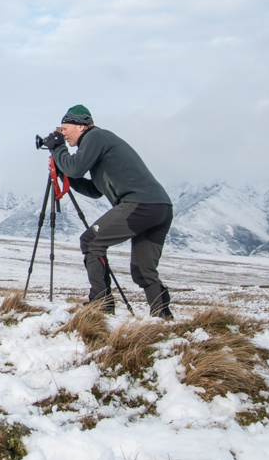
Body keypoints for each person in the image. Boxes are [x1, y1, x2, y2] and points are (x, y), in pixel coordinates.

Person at [40, 104, 175, 319]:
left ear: (82, 126)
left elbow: (74, 166)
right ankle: (163, 317)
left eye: (65, 128)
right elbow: (95, 191)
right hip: (160, 207)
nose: (62, 133)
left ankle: (101, 305)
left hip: (141, 204)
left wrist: (58, 150)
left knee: (91, 241)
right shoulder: (98, 143)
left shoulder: (95, 137)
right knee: (143, 270)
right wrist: (67, 176)